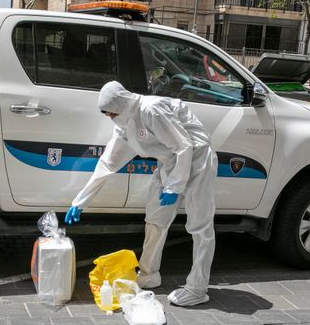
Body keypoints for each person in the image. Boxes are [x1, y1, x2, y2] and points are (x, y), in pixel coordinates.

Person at [65, 81, 217, 307]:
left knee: (200, 226)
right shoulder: (124, 124)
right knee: (155, 220)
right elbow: (107, 163)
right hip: (169, 164)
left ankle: (197, 289)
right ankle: (148, 275)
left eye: (110, 112)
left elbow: (184, 145)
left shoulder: (150, 109)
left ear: (120, 103)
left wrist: (174, 187)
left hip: (197, 160)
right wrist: (80, 201)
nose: (109, 117)